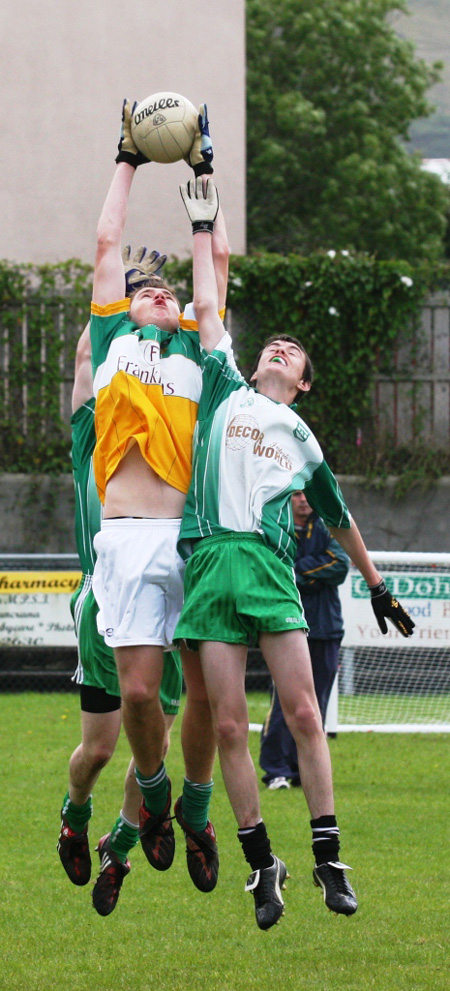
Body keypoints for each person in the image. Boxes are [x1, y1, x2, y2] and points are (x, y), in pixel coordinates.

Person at [174, 176, 415, 930]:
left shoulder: (299, 435)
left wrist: (376, 585)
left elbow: (340, 517)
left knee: (305, 711)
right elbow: (209, 302)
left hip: (272, 570)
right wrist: (205, 222)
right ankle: (261, 865)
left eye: (294, 353)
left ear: (301, 385)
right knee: (222, 727)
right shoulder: (222, 384)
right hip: (213, 563)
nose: (280, 347)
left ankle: (328, 857)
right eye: (275, 343)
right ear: (257, 363)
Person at [89, 100, 231, 897]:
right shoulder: (112, 344)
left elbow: (213, 275)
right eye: (147, 291)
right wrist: (128, 157)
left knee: (206, 688)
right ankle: (152, 791)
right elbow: (109, 243)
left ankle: (199, 808)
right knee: (139, 692)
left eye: (166, 292)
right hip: (124, 538)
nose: (157, 293)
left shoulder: (196, 354)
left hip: (186, 537)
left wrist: (202, 175)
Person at [57, 248, 183, 916]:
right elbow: (86, 358)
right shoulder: (94, 421)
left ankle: (123, 845)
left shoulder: (174, 416)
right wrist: (121, 289)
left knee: (156, 735)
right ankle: (75, 813)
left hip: (161, 587)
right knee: (100, 750)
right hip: (104, 592)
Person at [260, 490, 349, 790]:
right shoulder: (275, 526)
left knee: (317, 703)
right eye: (297, 494)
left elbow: (339, 564)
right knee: (284, 700)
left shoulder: (328, 526)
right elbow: (271, 568)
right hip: (286, 627)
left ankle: (302, 768)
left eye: (308, 493)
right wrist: (311, 570)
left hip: (326, 627)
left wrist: (297, 570)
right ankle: (276, 769)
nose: (303, 499)